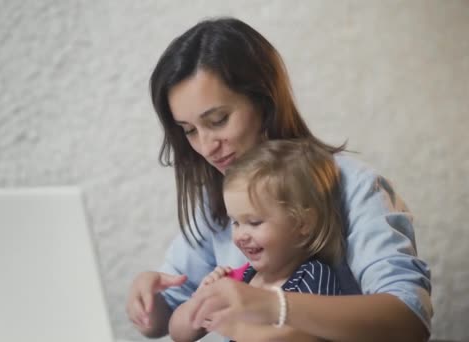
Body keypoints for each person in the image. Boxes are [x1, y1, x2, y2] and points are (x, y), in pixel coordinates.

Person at [126, 17, 432, 342]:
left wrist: (272, 305)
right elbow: (168, 319)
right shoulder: (216, 201)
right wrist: (148, 301)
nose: (205, 146)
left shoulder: (354, 186)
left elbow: (409, 320)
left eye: (218, 120)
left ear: (264, 100)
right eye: (189, 131)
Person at [169, 139, 345, 342]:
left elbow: (303, 337)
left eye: (254, 222)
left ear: (303, 223)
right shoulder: (241, 277)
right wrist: (200, 300)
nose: (241, 235)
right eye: (235, 223)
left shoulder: (314, 276)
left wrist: (237, 330)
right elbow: (179, 334)